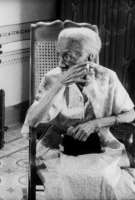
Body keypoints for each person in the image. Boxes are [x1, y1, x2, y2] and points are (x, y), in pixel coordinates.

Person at [21, 27, 135, 199]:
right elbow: (32, 121)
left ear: (89, 57)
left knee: (104, 178)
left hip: (100, 147)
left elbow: (130, 114)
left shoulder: (107, 76)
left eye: (67, 56)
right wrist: (60, 84)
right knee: (65, 178)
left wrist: (96, 124)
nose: (60, 63)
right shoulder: (52, 78)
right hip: (58, 148)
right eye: (59, 55)